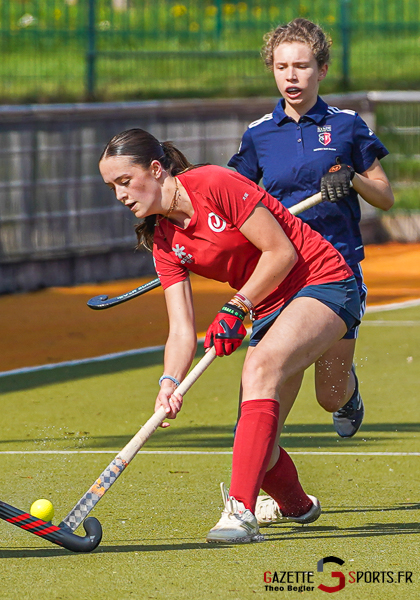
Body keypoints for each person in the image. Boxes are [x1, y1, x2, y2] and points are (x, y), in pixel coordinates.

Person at [99, 128, 361, 543]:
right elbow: (182, 329)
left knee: (280, 376)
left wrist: (237, 307)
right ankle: (298, 505)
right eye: (111, 187)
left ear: (154, 169)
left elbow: (281, 252)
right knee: (256, 444)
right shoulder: (164, 242)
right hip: (270, 306)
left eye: (124, 182)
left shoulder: (214, 183)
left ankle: (240, 512)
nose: (119, 196)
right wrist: (168, 382)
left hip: (320, 280)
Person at [228, 18, 395, 440]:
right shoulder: (259, 135)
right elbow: (234, 196)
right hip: (281, 269)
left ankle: (348, 395)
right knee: (266, 379)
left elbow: (384, 196)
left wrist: (350, 177)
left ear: (321, 70)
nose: (291, 76)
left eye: (301, 66)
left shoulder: (347, 125)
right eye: (282, 67)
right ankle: (258, 479)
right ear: (272, 70)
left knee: (329, 395)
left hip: (336, 268)